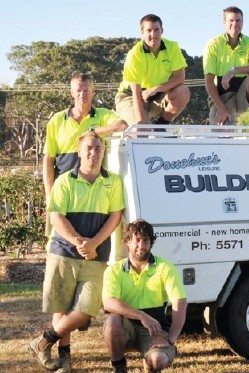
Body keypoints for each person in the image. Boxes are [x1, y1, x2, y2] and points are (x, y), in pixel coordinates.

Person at [28, 130, 125, 373]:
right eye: (89, 148)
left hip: (96, 255)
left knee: (84, 311)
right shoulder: (64, 181)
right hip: (63, 251)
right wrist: (79, 241)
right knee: (61, 308)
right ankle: (65, 360)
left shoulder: (112, 181)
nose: (94, 152)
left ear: (104, 152)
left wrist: (93, 244)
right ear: (79, 152)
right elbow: (56, 216)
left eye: (98, 148)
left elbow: (116, 216)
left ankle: (42, 341)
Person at [103, 219, 187, 373]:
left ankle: (150, 364)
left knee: (158, 361)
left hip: (154, 330)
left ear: (151, 242)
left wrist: (170, 339)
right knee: (113, 320)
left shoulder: (165, 267)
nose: (141, 245)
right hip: (125, 328)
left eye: (146, 240)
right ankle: (119, 366)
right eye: (137, 240)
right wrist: (141, 315)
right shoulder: (115, 270)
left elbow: (180, 302)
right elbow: (108, 302)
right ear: (127, 242)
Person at [43, 72, 127, 205]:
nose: (83, 94)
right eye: (78, 90)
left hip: (94, 192)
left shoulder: (103, 115)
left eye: (86, 90)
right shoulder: (57, 120)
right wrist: (49, 194)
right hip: (64, 191)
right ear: (71, 92)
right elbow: (49, 159)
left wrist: (93, 131)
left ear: (93, 91)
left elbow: (122, 125)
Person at [115, 14, 190, 127]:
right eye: (149, 30)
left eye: (156, 30)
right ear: (142, 32)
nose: (153, 34)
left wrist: (155, 89)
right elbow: (136, 95)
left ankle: (162, 125)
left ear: (162, 31)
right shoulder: (134, 54)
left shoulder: (173, 47)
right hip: (130, 98)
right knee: (144, 132)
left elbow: (180, 78)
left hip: (156, 96)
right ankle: (145, 128)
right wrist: (141, 125)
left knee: (183, 92)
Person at [203, 6, 249, 126]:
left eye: (238, 20)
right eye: (231, 20)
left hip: (242, 96)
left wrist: (235, 70)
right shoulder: (212, 44)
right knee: (222, 136)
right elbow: (209, 83)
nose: (235, 24)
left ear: (242, 22)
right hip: (221, 98)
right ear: (224, 23)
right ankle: (214, 121)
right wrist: (221, 108)